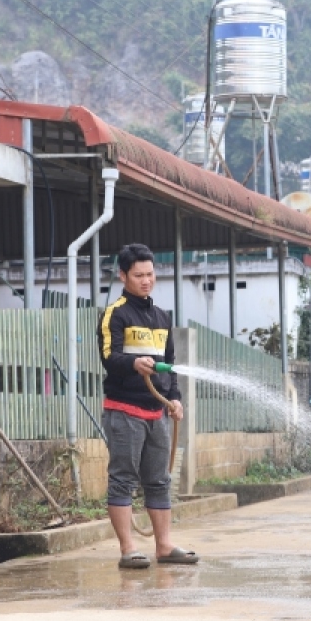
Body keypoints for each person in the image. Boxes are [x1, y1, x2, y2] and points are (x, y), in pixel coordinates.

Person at [97, 243, 198, 569]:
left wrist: (176, 400)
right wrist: (133, 363)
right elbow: (109, 357)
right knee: (123, 478)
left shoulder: (161, 317)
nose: (146, 281)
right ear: (123, 275)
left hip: (157, 412)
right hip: (124, 410)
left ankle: (164, 546)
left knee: (158, 480)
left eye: (150, 274)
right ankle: (128, 549)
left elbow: (169, 365)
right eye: (138, 275)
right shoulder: (115, 314)